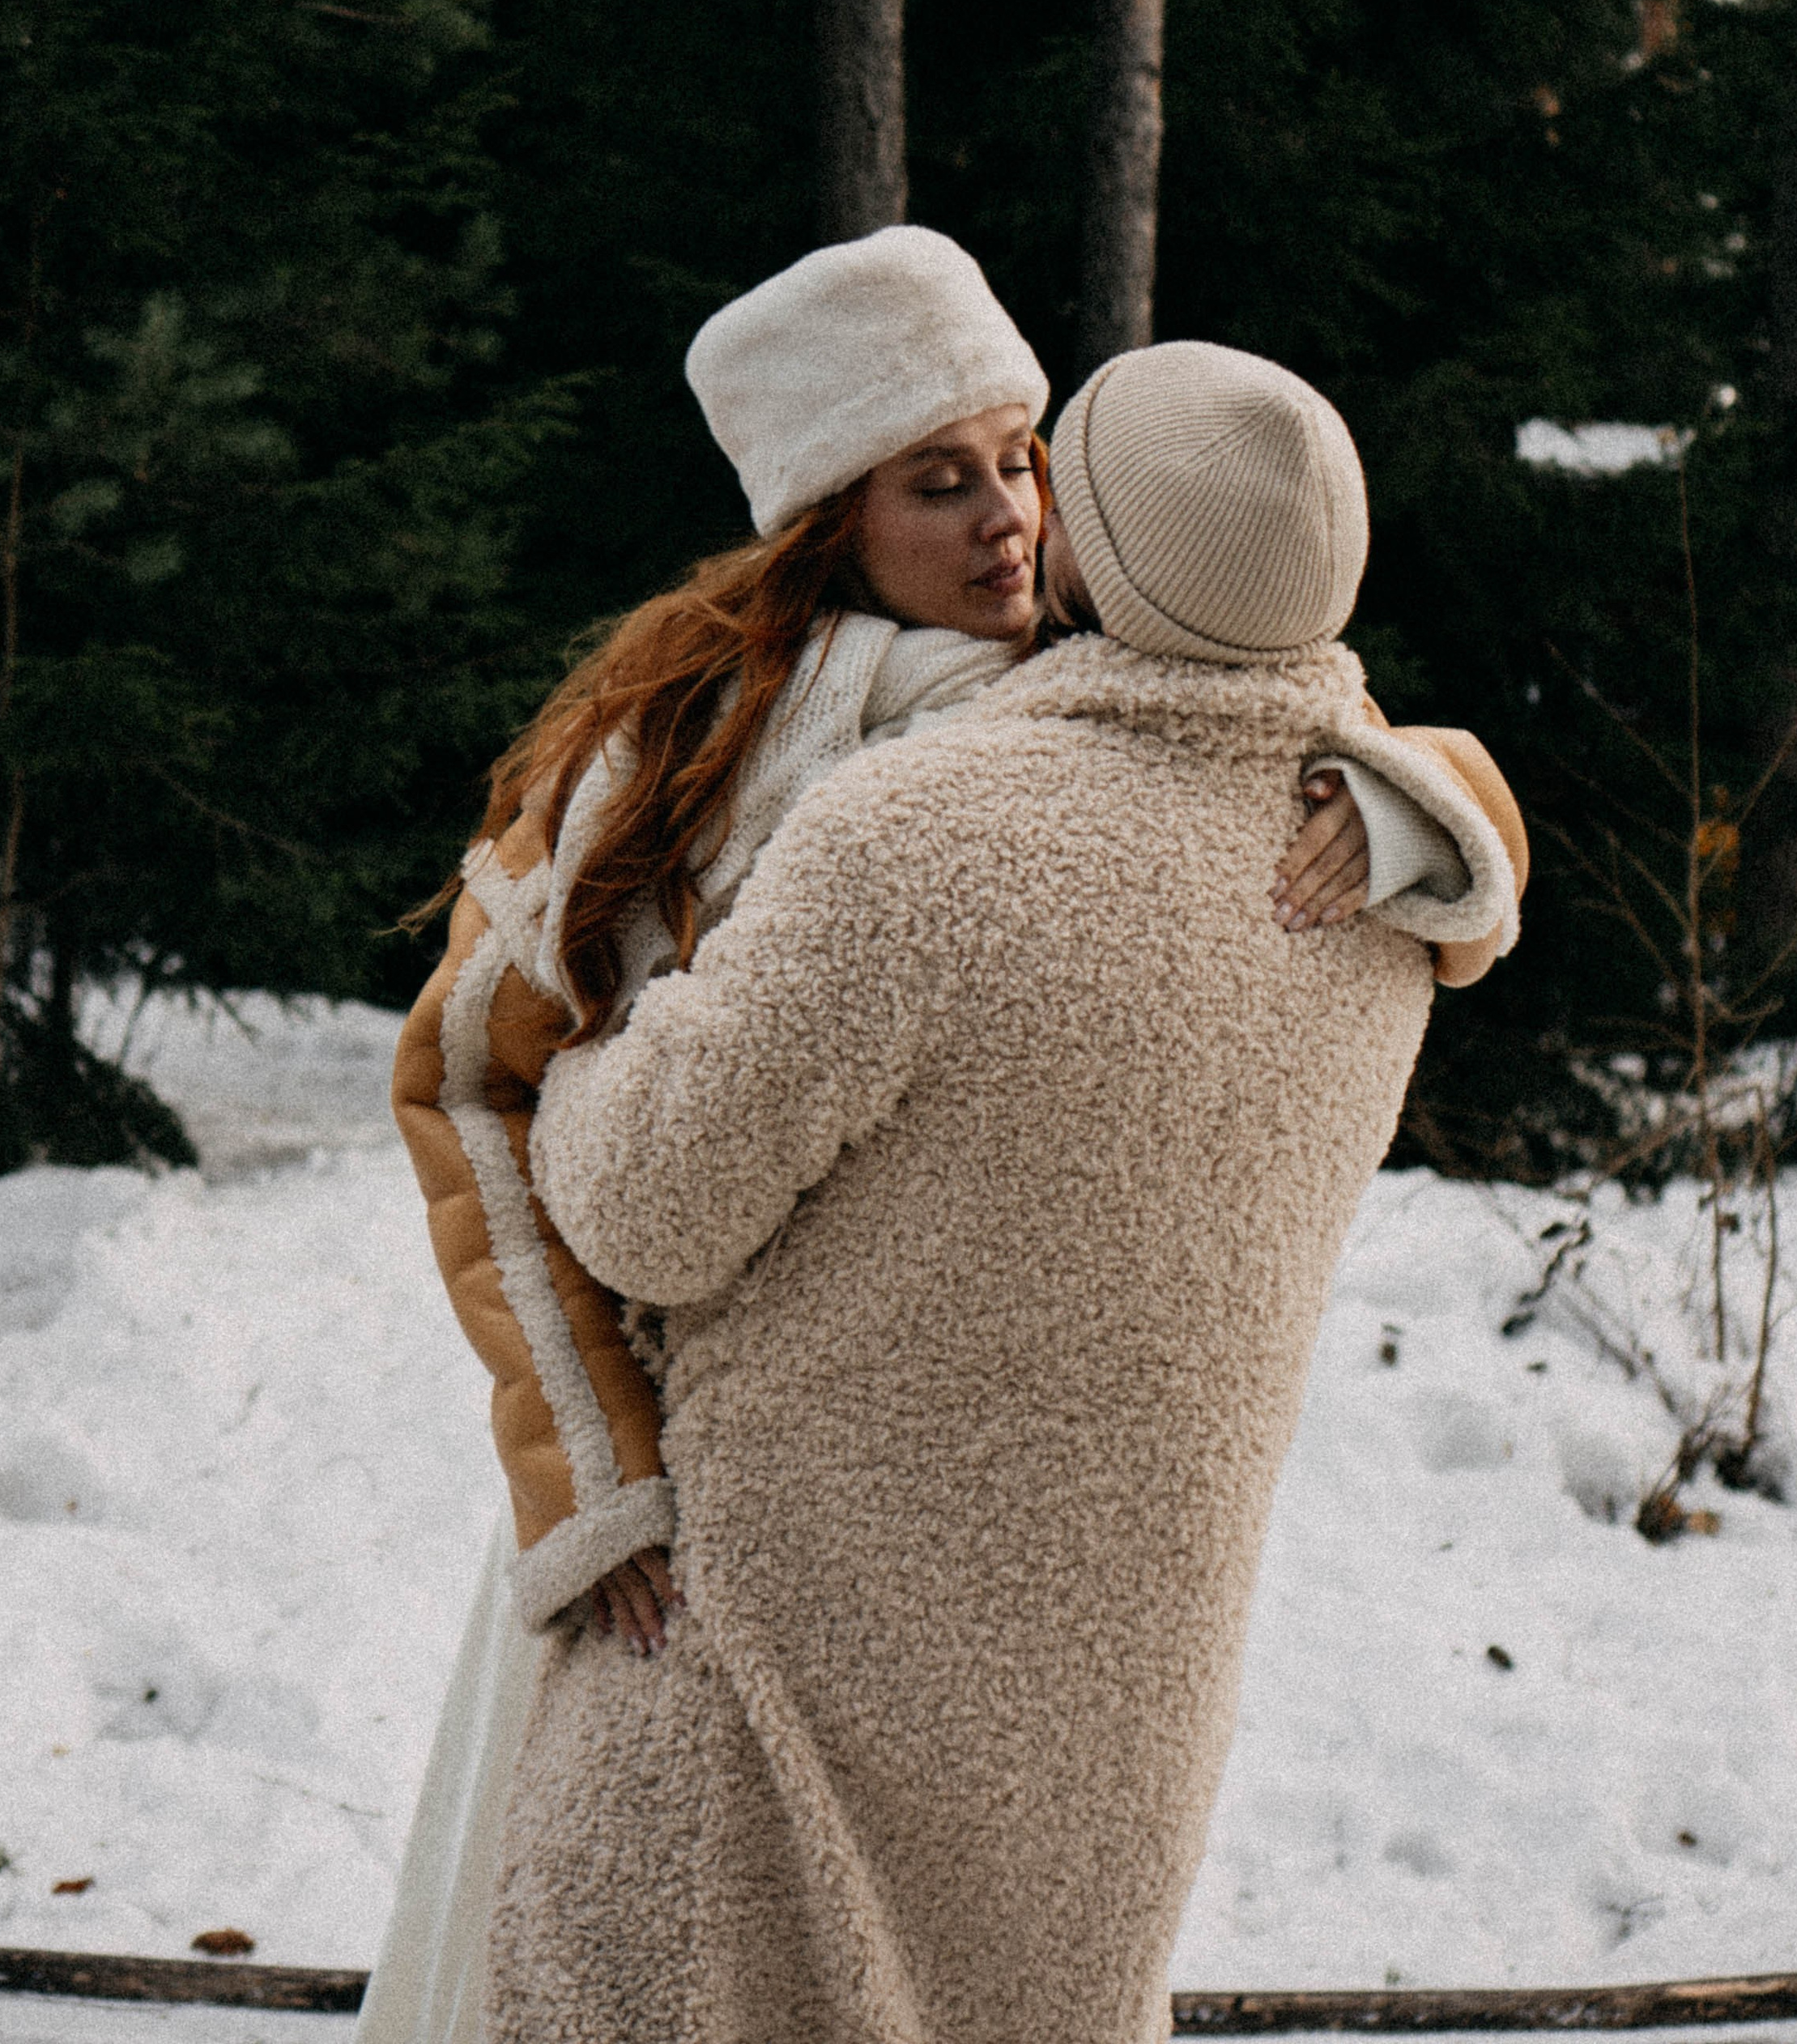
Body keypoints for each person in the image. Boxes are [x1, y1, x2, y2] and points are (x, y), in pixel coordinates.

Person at [380, 242, 1522, 2044]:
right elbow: (466, 1084)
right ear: (822, 517)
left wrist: (1425, 812)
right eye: (938, 481)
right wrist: (590, 1479)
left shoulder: (1087, 688)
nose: (1002, 521)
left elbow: (1371, 739)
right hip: (666, 1526)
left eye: (1021, 465)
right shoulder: (667, 751)